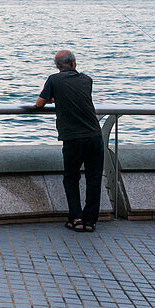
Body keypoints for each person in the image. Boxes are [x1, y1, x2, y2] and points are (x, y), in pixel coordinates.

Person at [33, 49, 104, 232]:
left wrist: (52, 99)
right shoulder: (87, 80)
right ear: (74, 63)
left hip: (73, 137)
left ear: (57, 66)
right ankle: (90, 221)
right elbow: (77, 95)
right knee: (94, 178)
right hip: (95, 135)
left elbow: (40, 103)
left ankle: (76, 219)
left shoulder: (54, 80)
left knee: (71, 177)